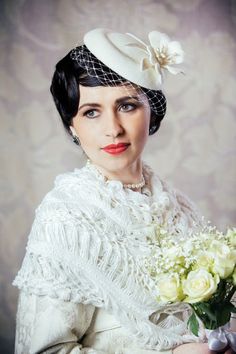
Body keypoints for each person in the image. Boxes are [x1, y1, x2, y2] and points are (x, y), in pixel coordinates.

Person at [12, 28, 234, 354]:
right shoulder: (65, 217)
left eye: (127, 106)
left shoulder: (177, 204)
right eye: (91, 112)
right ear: (72, 126)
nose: (113, 128)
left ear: (151, 110)